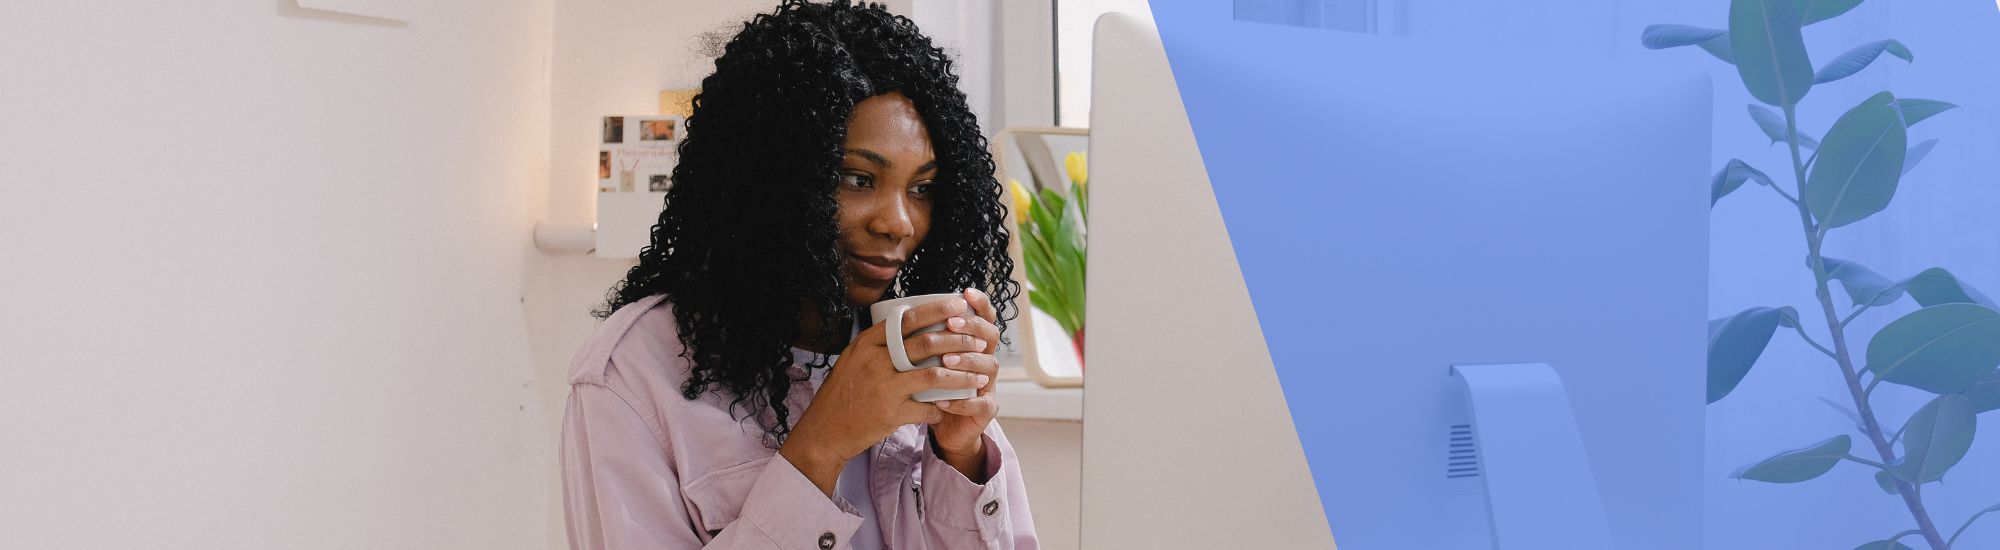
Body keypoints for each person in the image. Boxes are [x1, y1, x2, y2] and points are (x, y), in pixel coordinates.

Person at [559, 2, 1037, 549]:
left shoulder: (913, 351)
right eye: (857, 179)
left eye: (922, 188)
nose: (899, 222)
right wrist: (820, 448)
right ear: (768, 181)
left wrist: (962, 458)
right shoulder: (631, 377)